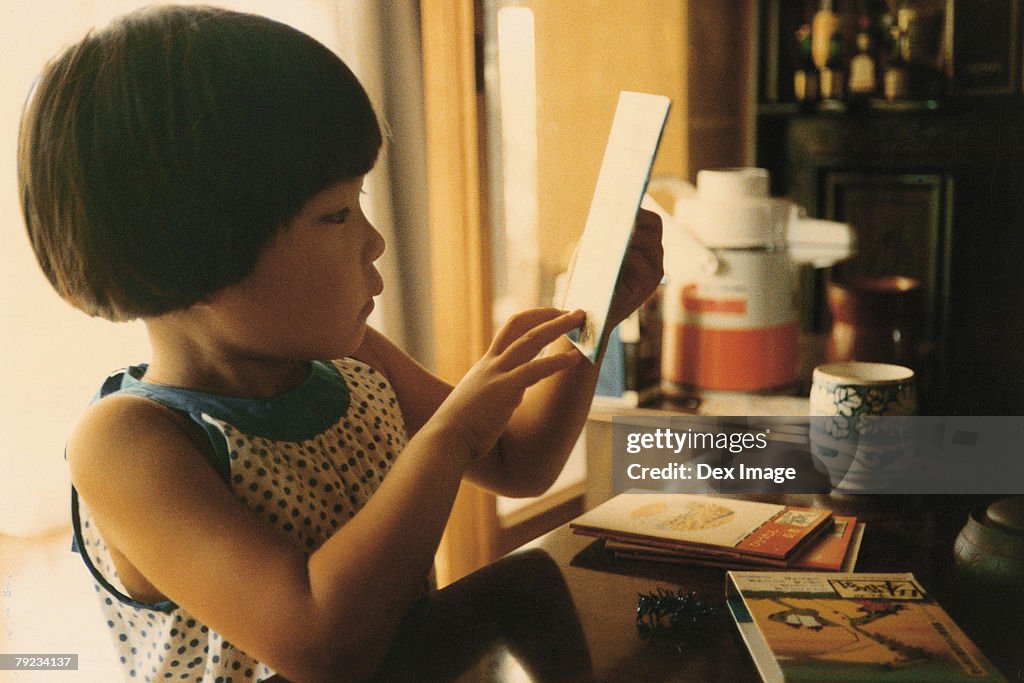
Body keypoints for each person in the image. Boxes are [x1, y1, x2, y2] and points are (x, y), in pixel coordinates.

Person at [18, 6, 662, 682]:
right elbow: (318, 642)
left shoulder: (351, 362)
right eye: (336, 214)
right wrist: (449, 433)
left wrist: (595, 319)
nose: (374, 240)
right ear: (194, 248)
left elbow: (516, 457)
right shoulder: (129, 441)